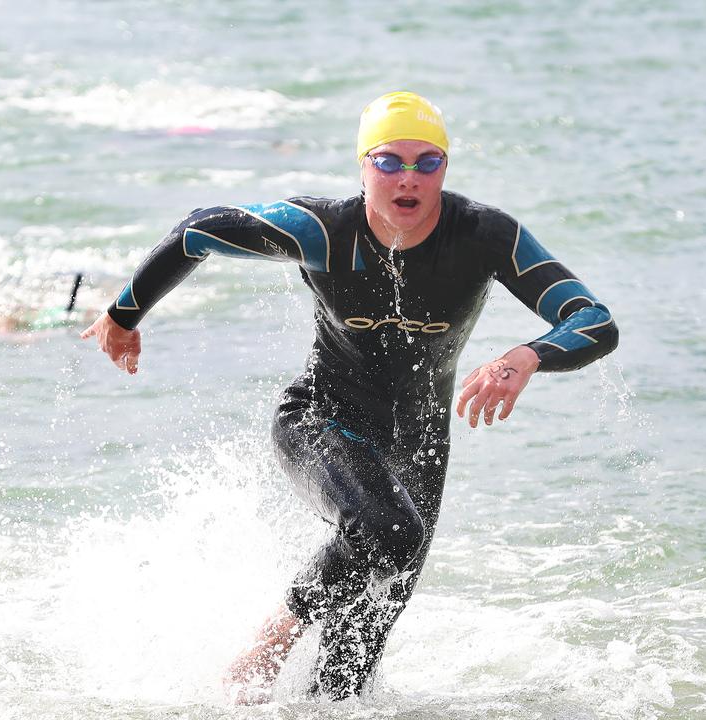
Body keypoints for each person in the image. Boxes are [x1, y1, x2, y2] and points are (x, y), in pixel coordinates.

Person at [80, 91, 619, 701]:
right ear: (364, 165)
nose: (408, 178)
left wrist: (527, 356)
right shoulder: (323, 230)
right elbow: (199, 230)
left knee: (348, 676)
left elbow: (593, 320)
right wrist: (125, 313)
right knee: (389, 531)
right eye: (389, 161)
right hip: (319, 420)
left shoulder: (484, 236)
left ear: (446, 168)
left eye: (427, 162)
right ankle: (267, 646)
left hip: (418, 448)